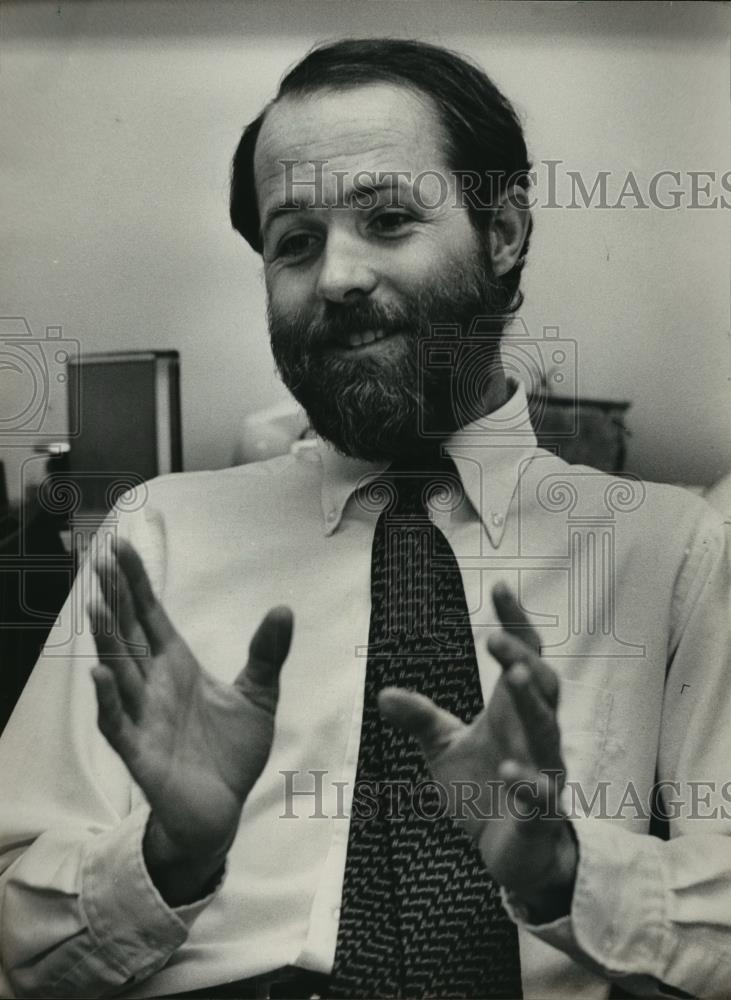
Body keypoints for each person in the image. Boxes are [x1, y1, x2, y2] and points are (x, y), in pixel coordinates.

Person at [0, 37, 730, 1000]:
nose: (336, 276)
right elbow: (15, 936)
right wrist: (170, 853)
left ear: (502, 232)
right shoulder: (156, 536)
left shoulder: (670, 551)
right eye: (293, 242)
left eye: (389, 219)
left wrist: (564, 872)